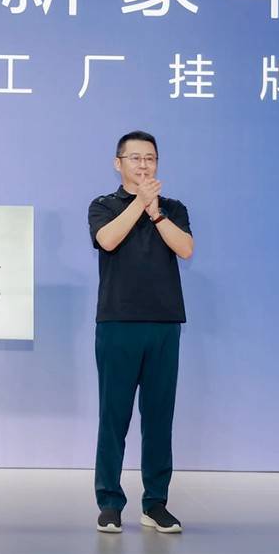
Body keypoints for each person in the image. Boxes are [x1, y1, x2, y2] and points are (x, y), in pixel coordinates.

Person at [89, 130, 194, 534]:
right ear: (118, 163)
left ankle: (155, 504)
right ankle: (110, 503)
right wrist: (139, 203)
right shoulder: (103, 205)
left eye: (150, 158)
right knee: (113, 417)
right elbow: (108, 240)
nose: (144, 164)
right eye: (135, 158)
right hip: (117, 323)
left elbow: (185, 248)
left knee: (159, 418)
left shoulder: (173, 208)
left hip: (164, 324)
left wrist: (156, 212)